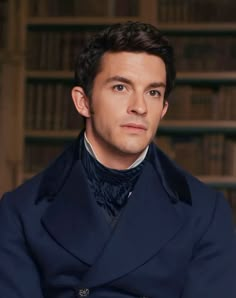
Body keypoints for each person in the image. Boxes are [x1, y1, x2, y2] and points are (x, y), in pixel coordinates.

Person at [0, 21, 235, 298]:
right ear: (83, 102)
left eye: (153, 92)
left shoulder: (206, 213)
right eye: (121, 88)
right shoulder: (19, 212)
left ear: (163, 110)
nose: (139, 106)